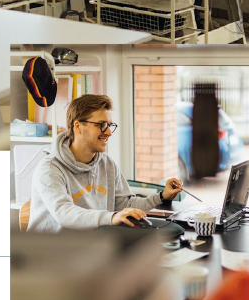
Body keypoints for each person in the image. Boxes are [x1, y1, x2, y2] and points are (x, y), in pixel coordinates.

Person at [27, 93, 184, 232]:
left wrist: (162, 196)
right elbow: (64, 213)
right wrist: (112, 217)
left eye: (109, 125)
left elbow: (125, 204)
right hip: (52, 251)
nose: (108, 132)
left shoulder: (106, 163)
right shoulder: (49, 169)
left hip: (92, 244)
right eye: (101, 125)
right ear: (78, 126)